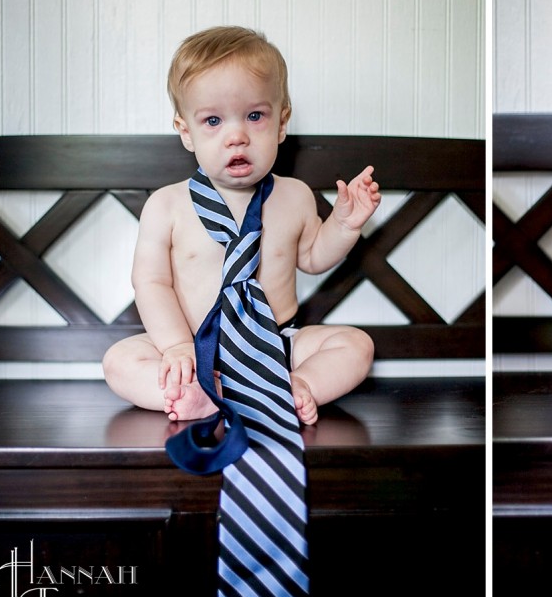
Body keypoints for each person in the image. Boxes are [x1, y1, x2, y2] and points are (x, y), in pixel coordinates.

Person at [103, 25, 381, 426]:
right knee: (120, 361)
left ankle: (296, 385)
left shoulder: (295, 196)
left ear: (281, 123)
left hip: (276, 345)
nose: (236, 136)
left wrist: (343, 224)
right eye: (213, 120)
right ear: (187, 132)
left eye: (254, 116)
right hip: (196, 347)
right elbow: (150, 283)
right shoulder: (167, 206)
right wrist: (178, 347)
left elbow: (313, 257)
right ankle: (200, 392)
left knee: (356, 345)